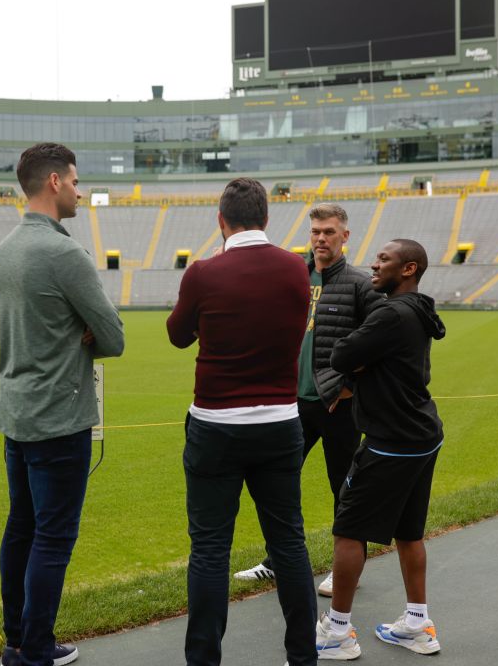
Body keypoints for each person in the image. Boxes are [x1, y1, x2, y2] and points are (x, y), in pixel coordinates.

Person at [166, 178, 317, 666]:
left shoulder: (204, 272)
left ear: (221, 219)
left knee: (210, 549)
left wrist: (210, 267)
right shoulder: (296, 269)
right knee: (288, 542)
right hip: (279, 422)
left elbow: (177, 336)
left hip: (215, 424)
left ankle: (204, 660)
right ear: (267, 219)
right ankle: (303, 656)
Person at [0, 142, 126, 666]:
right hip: (58, 416)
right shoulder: (65, 252)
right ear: (53, 183)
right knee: (52, 537)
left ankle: (17, 641)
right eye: (74, 180)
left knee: (20, 527)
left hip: (17, 411)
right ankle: (37, 648)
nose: (79, 189)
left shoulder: (7, 248)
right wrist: (87, 333)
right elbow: (113, 337)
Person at [234, 204, 382, 598]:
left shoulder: (359, 284)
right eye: (316, 231)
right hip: (289, 402)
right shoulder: (292, 274)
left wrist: (350, 384)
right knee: (276, 484)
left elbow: (379, 339)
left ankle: (345, 568)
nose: (320, 238)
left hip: (337, 405)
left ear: (345, 237)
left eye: (329, 232)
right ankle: (277, 561)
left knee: (344, 489)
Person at [314, 238, 447, 659]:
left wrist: (358, 358)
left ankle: (337, 632)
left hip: (392, 442)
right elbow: (358, 357)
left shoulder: (390, 314)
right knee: (409, 533)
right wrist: (363, 359)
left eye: (384, 259)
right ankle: (417, 623)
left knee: (348, 530)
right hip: (423, 435)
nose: (374, 263)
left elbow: (340, 355)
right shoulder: (417, 309)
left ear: (407, 269)